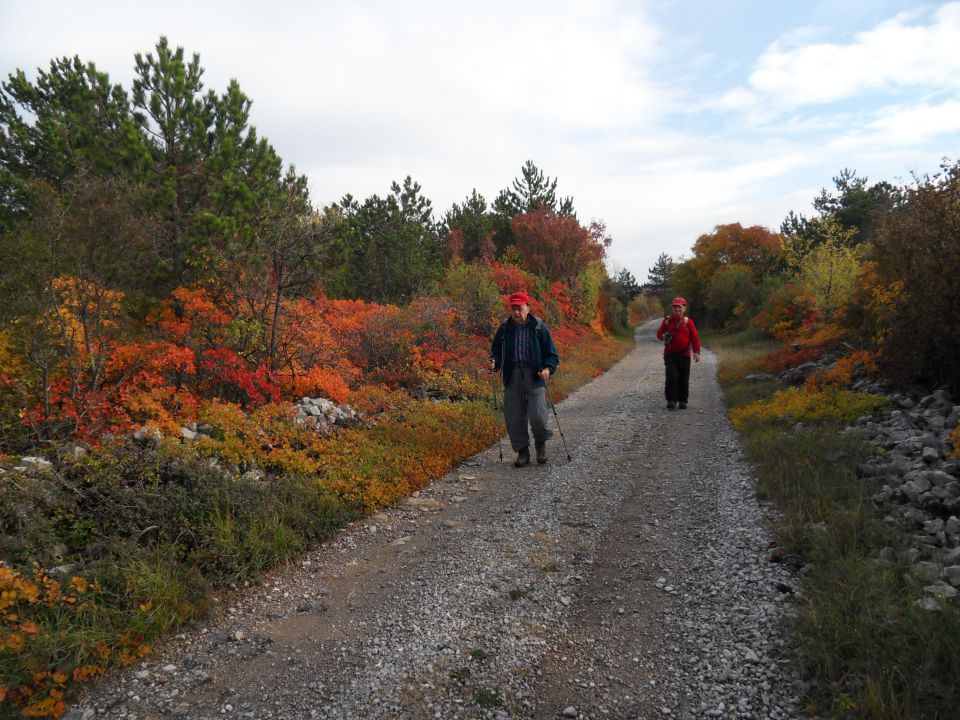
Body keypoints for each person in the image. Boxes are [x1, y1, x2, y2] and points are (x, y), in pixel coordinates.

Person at [489, 291, 560, 467]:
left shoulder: (539, 327)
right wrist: (494, 361)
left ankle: (540, 444)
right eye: (513, 308)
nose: (516, 312)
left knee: (537, 415)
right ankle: (522, 452)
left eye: (520, 308)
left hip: (534, 376)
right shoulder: (505, 328)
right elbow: (496, 350)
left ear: (528, 307)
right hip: (512, 376)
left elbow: (552, 355)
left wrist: (547, 369)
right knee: (514, 416)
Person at [656, 297, 701, 410]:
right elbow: (659, 334)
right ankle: (671, 400)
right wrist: (664, 336)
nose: (677, 309)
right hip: (670, 355)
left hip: (684, 355)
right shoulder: (667, 320)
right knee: (671, 376)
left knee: (683, 378)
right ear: (672, 308)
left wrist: (696, 352)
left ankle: (682, 401)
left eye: (680, 307)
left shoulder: (688, 322)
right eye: (675, 307)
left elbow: (694, 337)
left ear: (684, 308)